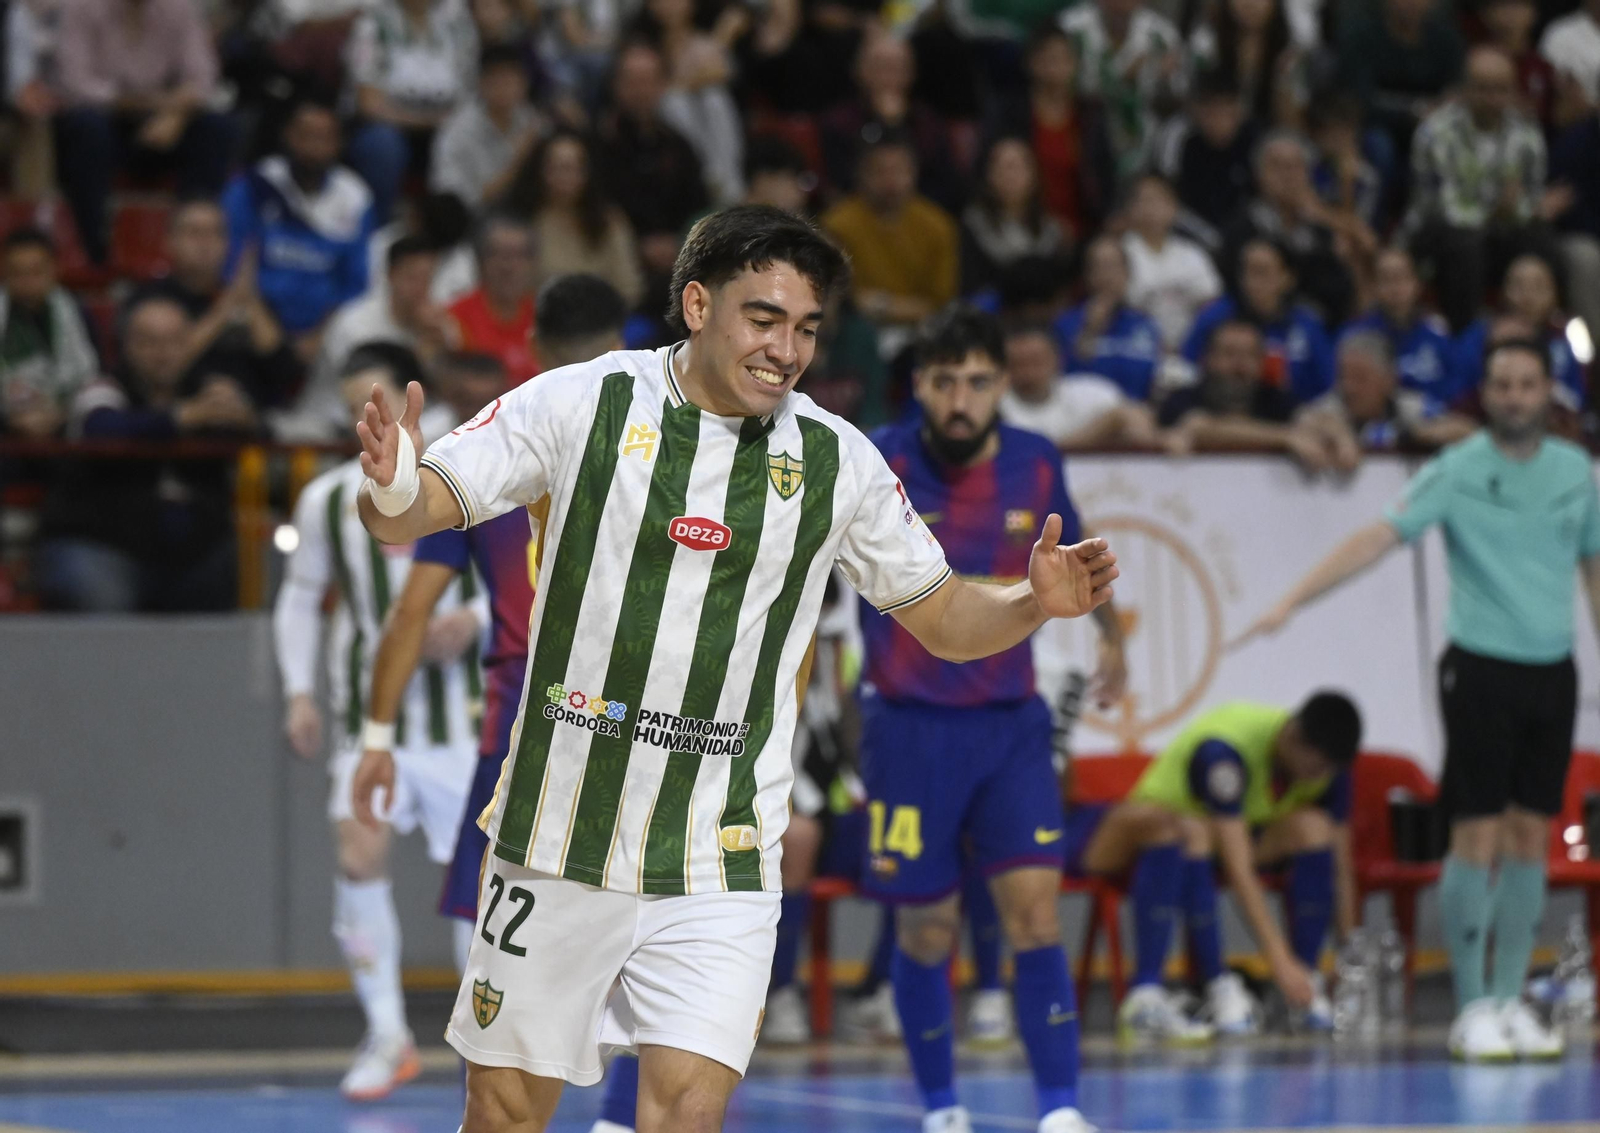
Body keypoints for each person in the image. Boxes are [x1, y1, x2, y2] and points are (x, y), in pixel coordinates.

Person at [351, 204, 1118, 1133]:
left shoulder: (837, 459)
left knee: (688, 1113)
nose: (786, 350)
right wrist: (393, 482)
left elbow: (947, 618)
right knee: (506, 1112)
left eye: (806, 328)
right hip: (559, 834)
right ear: (697, 305)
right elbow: (411, 511)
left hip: (722, 853)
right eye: (764, 319)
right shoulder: (585, 401)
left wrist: (1033, 601)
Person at [1242, 337, 1600, 1062]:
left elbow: (1594, 569)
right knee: (1477, 835)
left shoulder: (1577, 472)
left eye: (1527, 384)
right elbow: (1377, 537)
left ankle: (1509, 1000)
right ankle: (1472, 1007)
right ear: (1486, 394)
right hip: (1479, 670)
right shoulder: (1456, 469)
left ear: (1546, 392)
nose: (1515, 397)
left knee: (1531, 835)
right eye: (1502, 384)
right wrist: (1293, 598)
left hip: (1552, 674)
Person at [859, 306, 1124, 1133]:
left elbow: (1075, 555)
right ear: (919, 386)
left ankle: (1062, 1110)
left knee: (1037, 916)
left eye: (977, 382)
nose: (961, 399)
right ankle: (942, 1108)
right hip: (909, 727)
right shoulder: (875, 460)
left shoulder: (1037, 461)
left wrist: (1113, 642)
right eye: (945, 382)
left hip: (1011, 726)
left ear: (1003, 384)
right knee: (927, 929)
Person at [274, 349, 482, 1100]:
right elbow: (301, 596)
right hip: (370, 723)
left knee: (480, 883)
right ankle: (388, 1033)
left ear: (413, 397)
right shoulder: (328, 499)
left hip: (462, 721)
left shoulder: (470, 477)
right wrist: (299, 691)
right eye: (350, 405)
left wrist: (475, 619)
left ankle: (485, 1040)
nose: (364, 415)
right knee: (358, 855)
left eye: (378, 399)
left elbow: (526, 577)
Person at [1065, 693, 1361, 1040]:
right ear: (1293, 737)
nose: (1318, 777)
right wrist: (1279, 961)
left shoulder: (1329, 767)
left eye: (1326, 771)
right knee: (1195, 832)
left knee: (1314, 828)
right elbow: (1239, 868)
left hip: (1240, 835)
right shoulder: (1224, 753)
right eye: (1314, 768)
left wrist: (1350, 956)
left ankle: (1305, 984)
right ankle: (1206, 986)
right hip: (1171, 842)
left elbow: (1342, 868)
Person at [35, 295, 256, 611]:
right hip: (103, 543)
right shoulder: (103, 387)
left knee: (257, 561)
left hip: (194, 551)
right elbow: (102, 429)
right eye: (150, 343)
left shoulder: (210, 391)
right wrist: (181, 418)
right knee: (100, 590)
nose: (163, 354)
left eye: (175, 342)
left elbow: (261, 436)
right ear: (126, 346)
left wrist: (245, 419)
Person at [53, 0, 238, 265]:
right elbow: (75, 82)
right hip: (105, 117)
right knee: (87, 127)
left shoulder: (180, 8)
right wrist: (146, 102)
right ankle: (96, 249)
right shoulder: (81, 7)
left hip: (163, 119)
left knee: (217, 128)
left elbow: (203, 78)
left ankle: (192, 237)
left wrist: (176, 115)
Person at [1405, 46, 1553, 334]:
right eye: (1483, 89)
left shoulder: (1526, 134)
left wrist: (1521, 209)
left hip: (1500, 228)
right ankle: (1466, 336)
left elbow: (1534, 197)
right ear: (1465, 89)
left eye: (1501, 89)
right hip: (1436, 230)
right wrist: (1503, 210)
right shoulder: (1436, 133)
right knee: (1466, 245)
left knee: (1543, 241)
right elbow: (1445, 207)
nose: (1493, 98)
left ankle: (1539, 335)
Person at [222, 100, 377, 367]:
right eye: (305, 135)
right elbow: (231, 262)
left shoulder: (354, 198)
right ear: (287, 135)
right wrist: (261, 321)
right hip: (250, 320)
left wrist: (319, 336)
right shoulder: (255, 185)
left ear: (339, 144)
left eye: (324, 138)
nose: (313, 147)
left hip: (324, 334)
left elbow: (355, 283)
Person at [132, 199, 294, 408]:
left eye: (216, 233)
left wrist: (250, 299)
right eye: (194, 233)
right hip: (179, 414)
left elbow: (285, 372)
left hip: (251, 415)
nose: (205, 244)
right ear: (169, 241)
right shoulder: (150, 300)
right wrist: (224, 311)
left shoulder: (249, 295)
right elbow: (163, 366)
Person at [291, 237, 454, 440]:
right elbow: (358, 385)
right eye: (412, 277)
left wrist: (441, 351)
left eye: (428, 279)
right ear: (391, 276)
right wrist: (418, 356)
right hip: (330, 425)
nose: (421, 288)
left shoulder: (437, 326)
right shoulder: (354, 322)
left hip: (395, 425)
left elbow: (445, 394)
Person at [345, 0, 480, 223]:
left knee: (470, 136)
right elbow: (368, 103)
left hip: (447, 124)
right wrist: (425, 121)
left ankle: (458, 227)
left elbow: (470, 91)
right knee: (382, 146)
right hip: (388, 125)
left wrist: (450, 123)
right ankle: (380, 226)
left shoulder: (457, 25)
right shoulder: (373, 24)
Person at [593, 41, 710, 290]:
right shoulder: (597, 144)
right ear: (616, 86)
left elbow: (699, 205)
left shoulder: (679, 145)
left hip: (679, 260)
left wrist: (677, 241)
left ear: (662, 85)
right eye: (632, 82)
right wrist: (638, 243)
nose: (640, 91)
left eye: (648, 81)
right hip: (616, 261)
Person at [982, 25, 1115, 241]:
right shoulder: (1009, 111)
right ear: (1031, 63)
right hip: (1022, 226)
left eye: (1064, 58)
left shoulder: (1090, 114)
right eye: (1049, 58)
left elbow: (1104, 171)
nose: (1057, 67)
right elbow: (989, 164)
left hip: (1082, 227)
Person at [1221, 130, 1363, 327]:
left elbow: (1341, 292)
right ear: (1259, 175)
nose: (1287, 175)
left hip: (1319, 329)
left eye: (1295, 167)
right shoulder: (1241, 227)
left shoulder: (1322, 228)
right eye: (1277, 166)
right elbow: (1235, 288)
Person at [822, 134, 959, 331]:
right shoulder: (838, 225)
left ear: (914, 173)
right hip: (858, 327)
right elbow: (838, 297)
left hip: (924, 328)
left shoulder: (938, 225)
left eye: (899, 171)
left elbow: (942, 300)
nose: (890, 182)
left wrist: (883, 304)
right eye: (880, 171)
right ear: (861, 174)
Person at [820, 28, 961, 213]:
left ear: (911, 73)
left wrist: (898, 126)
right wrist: (883, 124)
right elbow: (841, 180)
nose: (887, 76)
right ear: (858, 70)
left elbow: (945, 183)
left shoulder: (928, 122)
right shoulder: (838, 121)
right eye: (879, 66)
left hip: (917, 215)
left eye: (896, 67)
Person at [1161, 317, 1330, 468]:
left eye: (1250, 355)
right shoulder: (1184, 398)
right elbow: (1201, 429)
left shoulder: (1274, 397)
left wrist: (1338, 436)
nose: (1240, 365)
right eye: (1229, 354)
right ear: (1208, 359)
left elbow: (1315, 420)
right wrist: (1285, 437)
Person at [1181, 238, 1334, 404]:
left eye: (1262, 272)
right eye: (1246, 271)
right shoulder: (1216, 316)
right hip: (1219, 408)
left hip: (1292, 412)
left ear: (1288, 278)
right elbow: (1186, 369)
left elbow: (1328, 385)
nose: (1251, 282)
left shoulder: (1307, 325)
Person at [1294, 331, 1475, 469]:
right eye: (1343, 376)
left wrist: (1412, 435)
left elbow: (1466, 430)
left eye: (1359, 378)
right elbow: (1304, 421)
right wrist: (1339, 435)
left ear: (1389, 380)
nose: (1348, 387)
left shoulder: (1410, 404)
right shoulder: (1329, 406)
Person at [508, 129, 645, 309]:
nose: (564, 176)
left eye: (572, 168)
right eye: (556, 167)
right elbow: (513, 286)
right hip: (539, 317)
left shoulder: (610, 221)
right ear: (541, 171)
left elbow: (629, 287)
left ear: (587, 172)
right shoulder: (524, 220)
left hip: (600, 317)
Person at [629, 0, 745, 206]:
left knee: (714, 98)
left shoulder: (703, 40)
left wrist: (685, 83)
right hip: (666, 115)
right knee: (674, 102)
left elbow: (722, 72)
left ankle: (727, 178)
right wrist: (688, 82)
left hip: (706, 120)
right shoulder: (647, 46)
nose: (670, 6)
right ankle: (701, 174)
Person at [1058, 0, 1184, 178]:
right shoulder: (1071, 28)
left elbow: (1178, 98)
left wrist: (1162, 78)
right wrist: (1127, 77)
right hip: (1081, 133)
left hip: (1143, 141)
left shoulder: (1161, 34)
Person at [999, 321, 1163, 452]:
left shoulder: (1091, 391)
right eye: (1017, 364)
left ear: (1058, 359)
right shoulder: (995, 406)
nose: (1028, 372)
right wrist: (1106, 424)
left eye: (1036, 362)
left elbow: (1137, 418)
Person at [1454, 253, 1587, 413]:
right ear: (1503, 291)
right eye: (1518, 286)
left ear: (1555, 295)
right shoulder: (1480, 335)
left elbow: (1578, 401)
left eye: (1539, 287)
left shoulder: (1563, 338)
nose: (1528, 296)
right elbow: (1456, 395)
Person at [0, 226, 98, 438]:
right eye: (17, 272)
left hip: (64, 419)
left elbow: (90, 374)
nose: (27, 281)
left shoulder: (75, 311)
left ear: (54, 269)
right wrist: (10, 417)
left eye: (36, 271)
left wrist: (60, 413)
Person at [1148, 72, 1259, 251]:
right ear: (1195, 110)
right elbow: (1165, 191)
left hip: (1242, 233)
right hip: (1189, 230)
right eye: (1211, 112)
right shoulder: (1179, 136)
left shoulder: (1254, 138)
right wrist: (1209, 237)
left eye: (1227, 111)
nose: (1220, 121)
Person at [431, 43, 545, 209]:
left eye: (510, 79)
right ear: (481, 83)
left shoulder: (532, 120)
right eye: (496, 80)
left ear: (524, 83)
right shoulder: (457, 131)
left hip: (523, 212)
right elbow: (456, 202)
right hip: (471, 217)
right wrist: (517, 162)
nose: (504, 88)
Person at [1340, 245, 1461, 402]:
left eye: (1401, 277)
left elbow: (1455, 386)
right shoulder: (1356, 336)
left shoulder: (1437, 333)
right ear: (1374, 286)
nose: (1395, 287)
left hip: (1435, 414)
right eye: (1386, 279)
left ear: (1416, 283)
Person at [1053, 236, 1163, 402]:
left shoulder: (1145, 324)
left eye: (1113, 266)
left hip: (1139, 410)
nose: (1107, 276)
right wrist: (1089, 331)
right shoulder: (1066, 324)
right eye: (1098, 267)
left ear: (1127, 273)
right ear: (1087, 276)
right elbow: (1063, 380)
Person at [1121, 173, 1222, 352]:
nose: (1152, 208)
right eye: (1145, 200)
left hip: (1190, 350)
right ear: (1131, 208)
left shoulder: (1192, 253)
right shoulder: (1120, 252)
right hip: (1136, 347)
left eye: (1159, 200)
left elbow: (1211, 301)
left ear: (1174, 207)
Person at [960, 137, 1071, 299]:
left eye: (1017, 167)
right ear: (989, 175)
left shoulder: (1053, 230)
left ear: (1034, 175)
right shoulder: (973, 225)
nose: (1010, 176)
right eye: (1002, 167)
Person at [447, 215, 540, 383]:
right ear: (480, 260)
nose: (508, 266)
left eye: (519, 255)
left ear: (533, 262)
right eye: (498, 254)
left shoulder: (543, 316)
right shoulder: (454, 318)